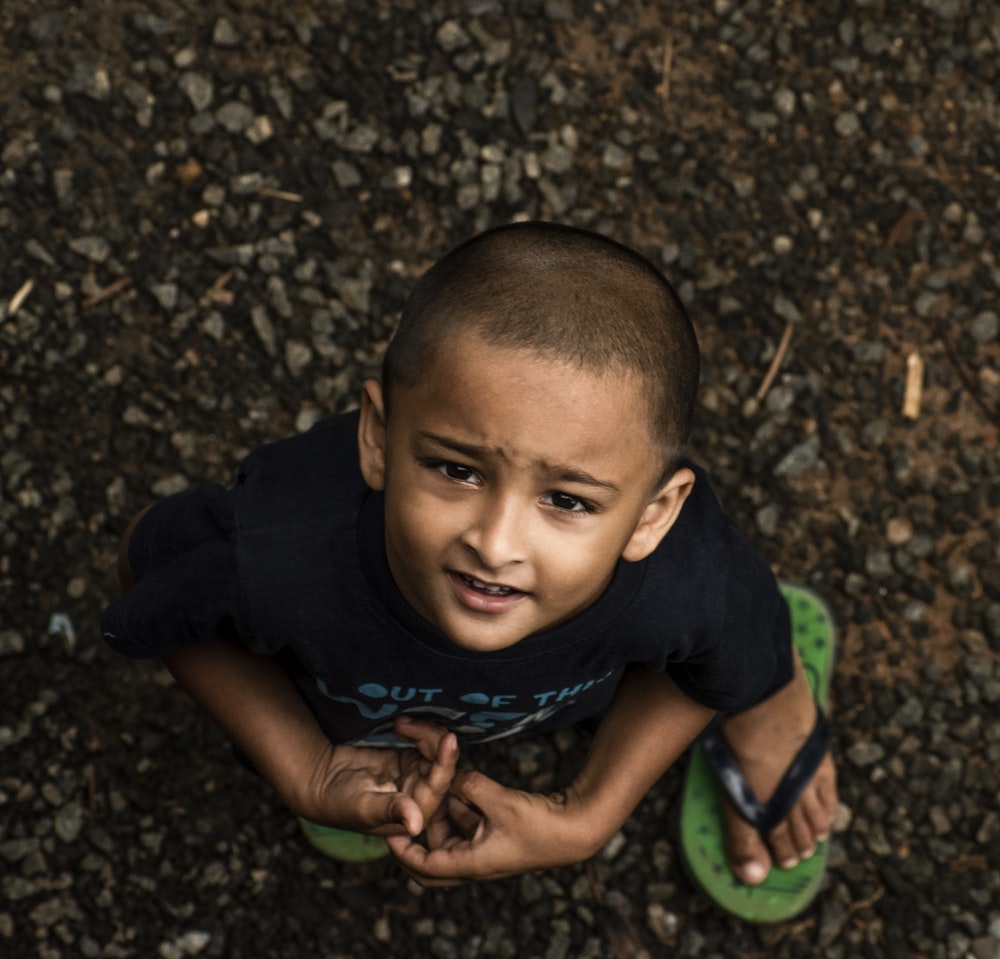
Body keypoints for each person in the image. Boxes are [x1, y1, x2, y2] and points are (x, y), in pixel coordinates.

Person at [102, 221, 837, 908]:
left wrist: (590, 812)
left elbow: (726, 638)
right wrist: (306, 766)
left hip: (558, 687)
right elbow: (151, 569)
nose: (496, 541)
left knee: (751, 659)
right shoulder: (279, 549)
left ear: (653, 515)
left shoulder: (686, 578)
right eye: (457, 470)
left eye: (568, 501)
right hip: (365, 709)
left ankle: (774, 712)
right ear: (381, 438)